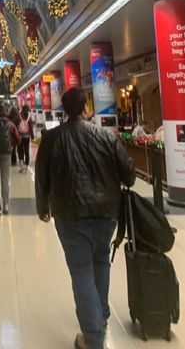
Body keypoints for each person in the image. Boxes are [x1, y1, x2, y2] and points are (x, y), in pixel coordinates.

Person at [35, 88, 136, 349]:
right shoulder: (105, 135)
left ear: (63, 110)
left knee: (81, 272)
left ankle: (93, 339)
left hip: (69, 214)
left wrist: (42, 206)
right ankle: (99, 321)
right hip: (105, 213)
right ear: (85, 108)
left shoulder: (52, 138)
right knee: (101, 263)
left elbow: (42, 175)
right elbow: (129, 176)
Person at [17, 104, 34, 172]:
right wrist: (32, 136)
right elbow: (31, 128)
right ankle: (27, 167)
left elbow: (16, 126)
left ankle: (21, 166)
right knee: (26, 151)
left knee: (20, 150)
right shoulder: (29, 117)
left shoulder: (19, 116)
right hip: (27, 137)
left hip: (20, 136)